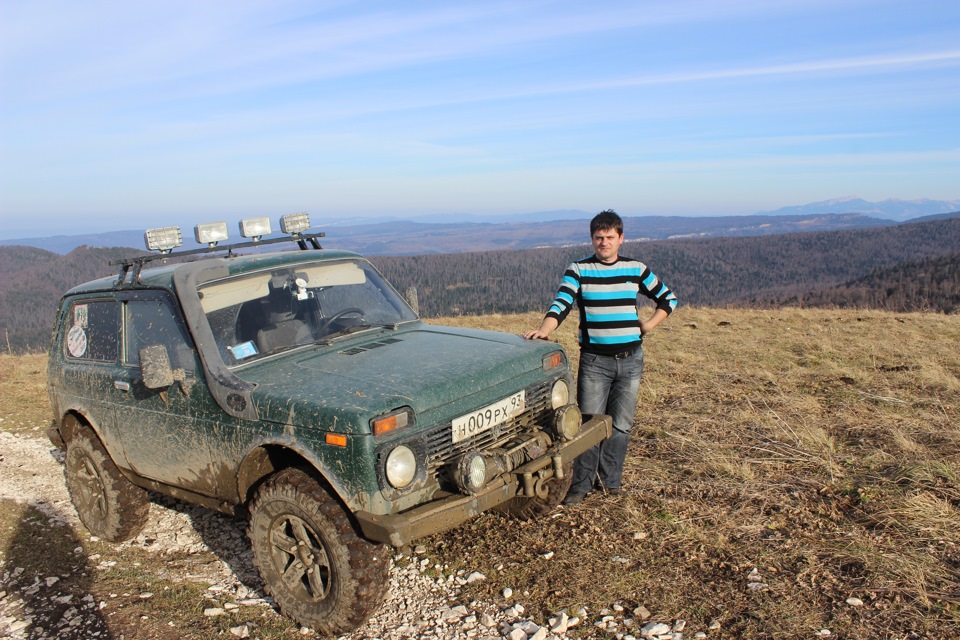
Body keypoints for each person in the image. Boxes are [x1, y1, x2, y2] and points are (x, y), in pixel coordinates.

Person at [524, 209, 677, 505]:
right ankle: (580, 485)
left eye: (609, 237)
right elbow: (562, 303)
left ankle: (610, 483)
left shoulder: (636, 269)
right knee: (587, 426)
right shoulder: (579, 270)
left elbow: (668, 299)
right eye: (598, 237)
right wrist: (545, 329)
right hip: (595, 361)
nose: (603, 243)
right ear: (592, 239)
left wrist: (645, 326)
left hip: (631, 359)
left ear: (621, 238)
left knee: (621, 425)